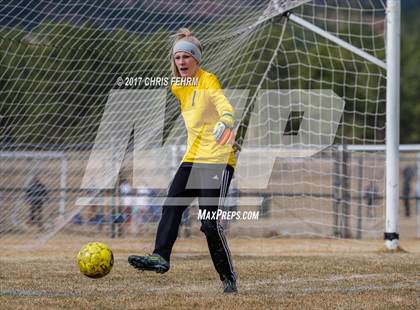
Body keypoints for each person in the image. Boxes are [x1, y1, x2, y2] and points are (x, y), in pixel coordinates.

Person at [128, 28, 238, 293]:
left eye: (187, 57)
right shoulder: (178, 86)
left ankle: (228, 277)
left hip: (217, 160)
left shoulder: (208, 80)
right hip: (192, 158)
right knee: (171, 204)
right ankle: (160, 256)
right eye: (177, 58)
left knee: (209, 224)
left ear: (196, 59)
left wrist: (225, 121)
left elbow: (225, 105)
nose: (182, 62)